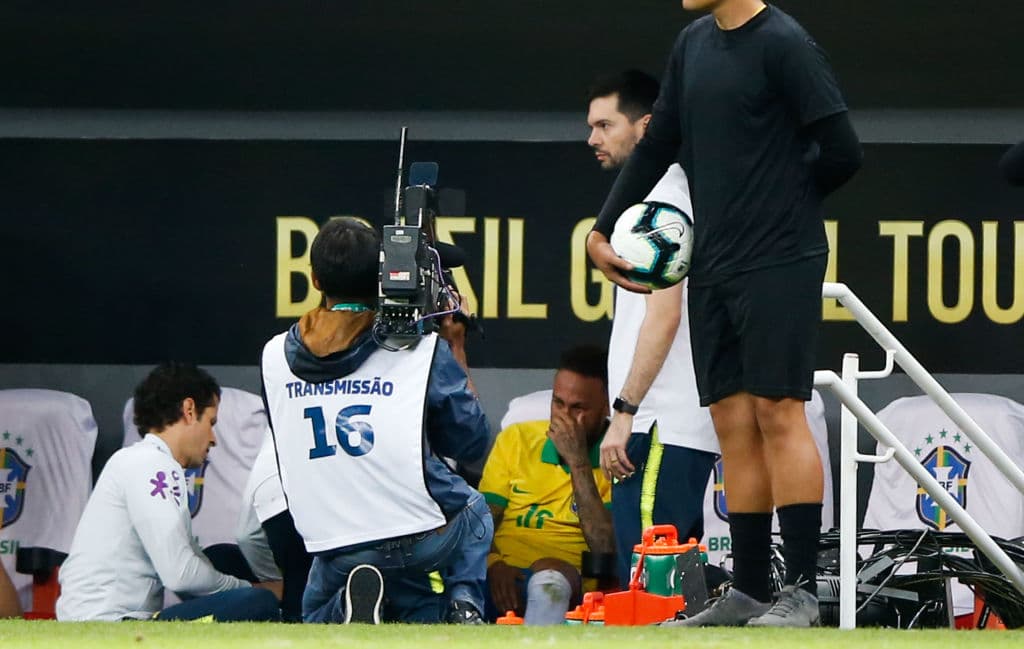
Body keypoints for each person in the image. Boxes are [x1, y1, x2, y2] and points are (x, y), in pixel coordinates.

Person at [587, 0, 862, 628]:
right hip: (712, 260)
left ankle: (801, 591)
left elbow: (844, 150)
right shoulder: (692, 43)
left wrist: (782, 202)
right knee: (732, 419)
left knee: (777, 410)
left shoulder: (785, 42)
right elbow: (659, 143)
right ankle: (749, 588)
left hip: (779, 256)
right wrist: (602, 228)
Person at [261, 217, 493, 624]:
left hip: (336, 544)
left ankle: (357, 604)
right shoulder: (421, 350)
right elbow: (471, 445)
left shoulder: (274, 356)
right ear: (383, 279)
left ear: (314, 280)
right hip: (422, 537)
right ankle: (463, 607)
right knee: (474, 509)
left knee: (315, 617)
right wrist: (447, 340)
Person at [586, 69, 721, 588]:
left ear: (644, 127)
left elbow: (664, 314)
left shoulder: (660, 201)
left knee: (645, 593)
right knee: (673, 594)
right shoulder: (665, 193)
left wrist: (624, 413)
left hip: (659, 424)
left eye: (605, 125)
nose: (592, 139)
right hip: (667, 423)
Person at [56, 363, 281, 622]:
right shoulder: (151, 464)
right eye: (211, 422)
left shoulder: (142, 461)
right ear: (188, 410)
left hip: (111, 620)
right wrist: (250, 588)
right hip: (110, 626)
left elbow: (189, 565)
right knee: (257, 603)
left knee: (218, 558)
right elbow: (180, 574)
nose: (213, 438)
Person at [480, 345, 615, 625]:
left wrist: (578, 460)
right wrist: (494, 565)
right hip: (502, 578)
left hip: (569, 588)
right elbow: (481, 523)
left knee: (549, 574)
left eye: (578, 408)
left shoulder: (617, 457)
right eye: (558, 403)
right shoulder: (516, 439)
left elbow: (605, 547)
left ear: (606, 406)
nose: (564, 416)